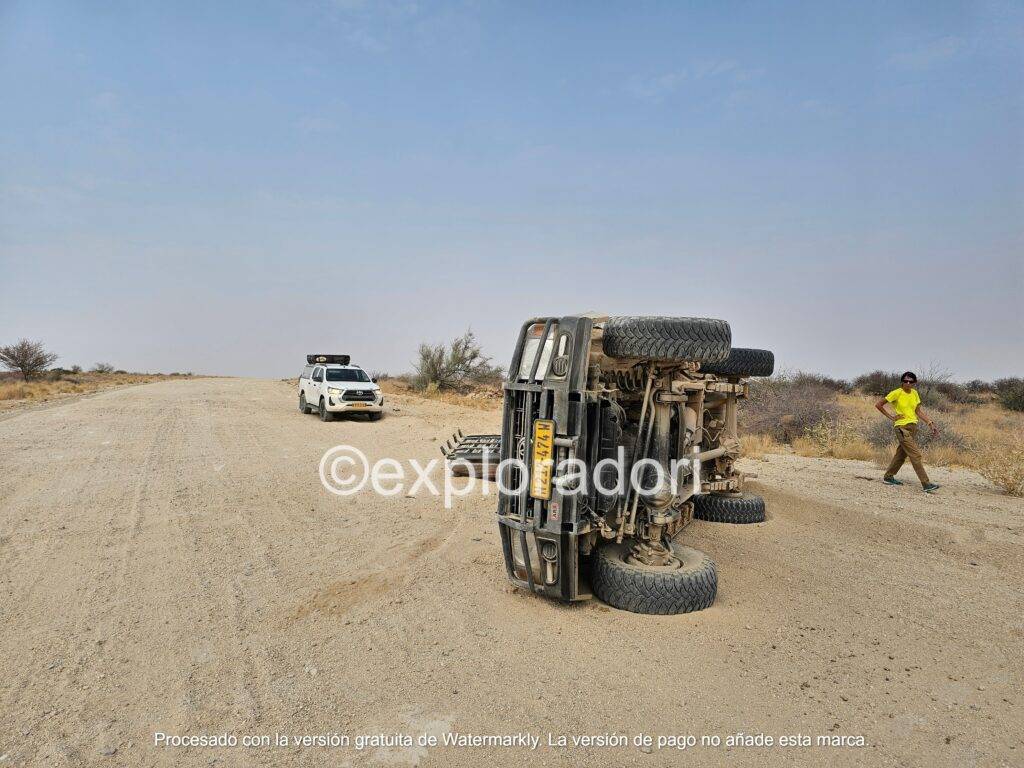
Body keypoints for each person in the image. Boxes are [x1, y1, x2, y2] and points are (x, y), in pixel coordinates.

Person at [875, 371, 940, 493]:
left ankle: (888, 477)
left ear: (914, 383)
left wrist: (930, 423)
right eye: (905, 381)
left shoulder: (915, 393)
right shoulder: (897, 393)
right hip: (901, 428)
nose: (908, 383)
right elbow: (879, 405)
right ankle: (926, 484)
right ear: (902, 382)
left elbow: (918, 411)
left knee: (901, 454)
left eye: (910, 381)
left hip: (912, 427)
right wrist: (891, 417)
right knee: (915, 455)